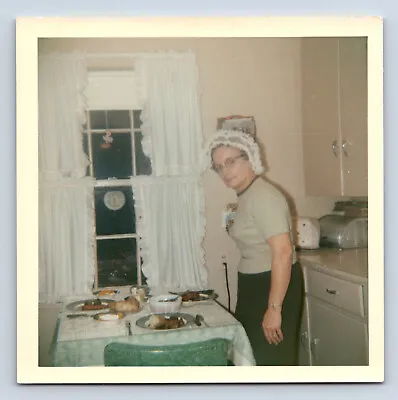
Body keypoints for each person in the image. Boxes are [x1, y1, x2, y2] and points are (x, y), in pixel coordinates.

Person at [205, 129, 304, 366]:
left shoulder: (263, 196)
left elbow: (283, 252)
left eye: (231, 162)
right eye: (219, 166)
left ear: (250, 158)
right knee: (254, 358)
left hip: (271, 286)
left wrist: (274, 309)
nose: (224, 172)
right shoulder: (248, 194)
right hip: (256, 285)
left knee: (271, 361)